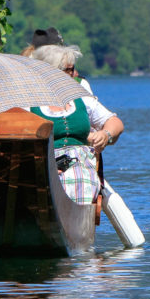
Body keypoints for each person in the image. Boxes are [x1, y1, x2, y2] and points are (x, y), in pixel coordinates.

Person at [29, 47, 123, 205]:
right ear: (52, 72)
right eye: (70, 70)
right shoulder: (30, 104)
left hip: (81, 163)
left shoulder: (82, 99)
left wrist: (105, 134)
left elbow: (115, 123)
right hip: (44, 165)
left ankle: (71, 223)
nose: (76, 74)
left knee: (77, 177)